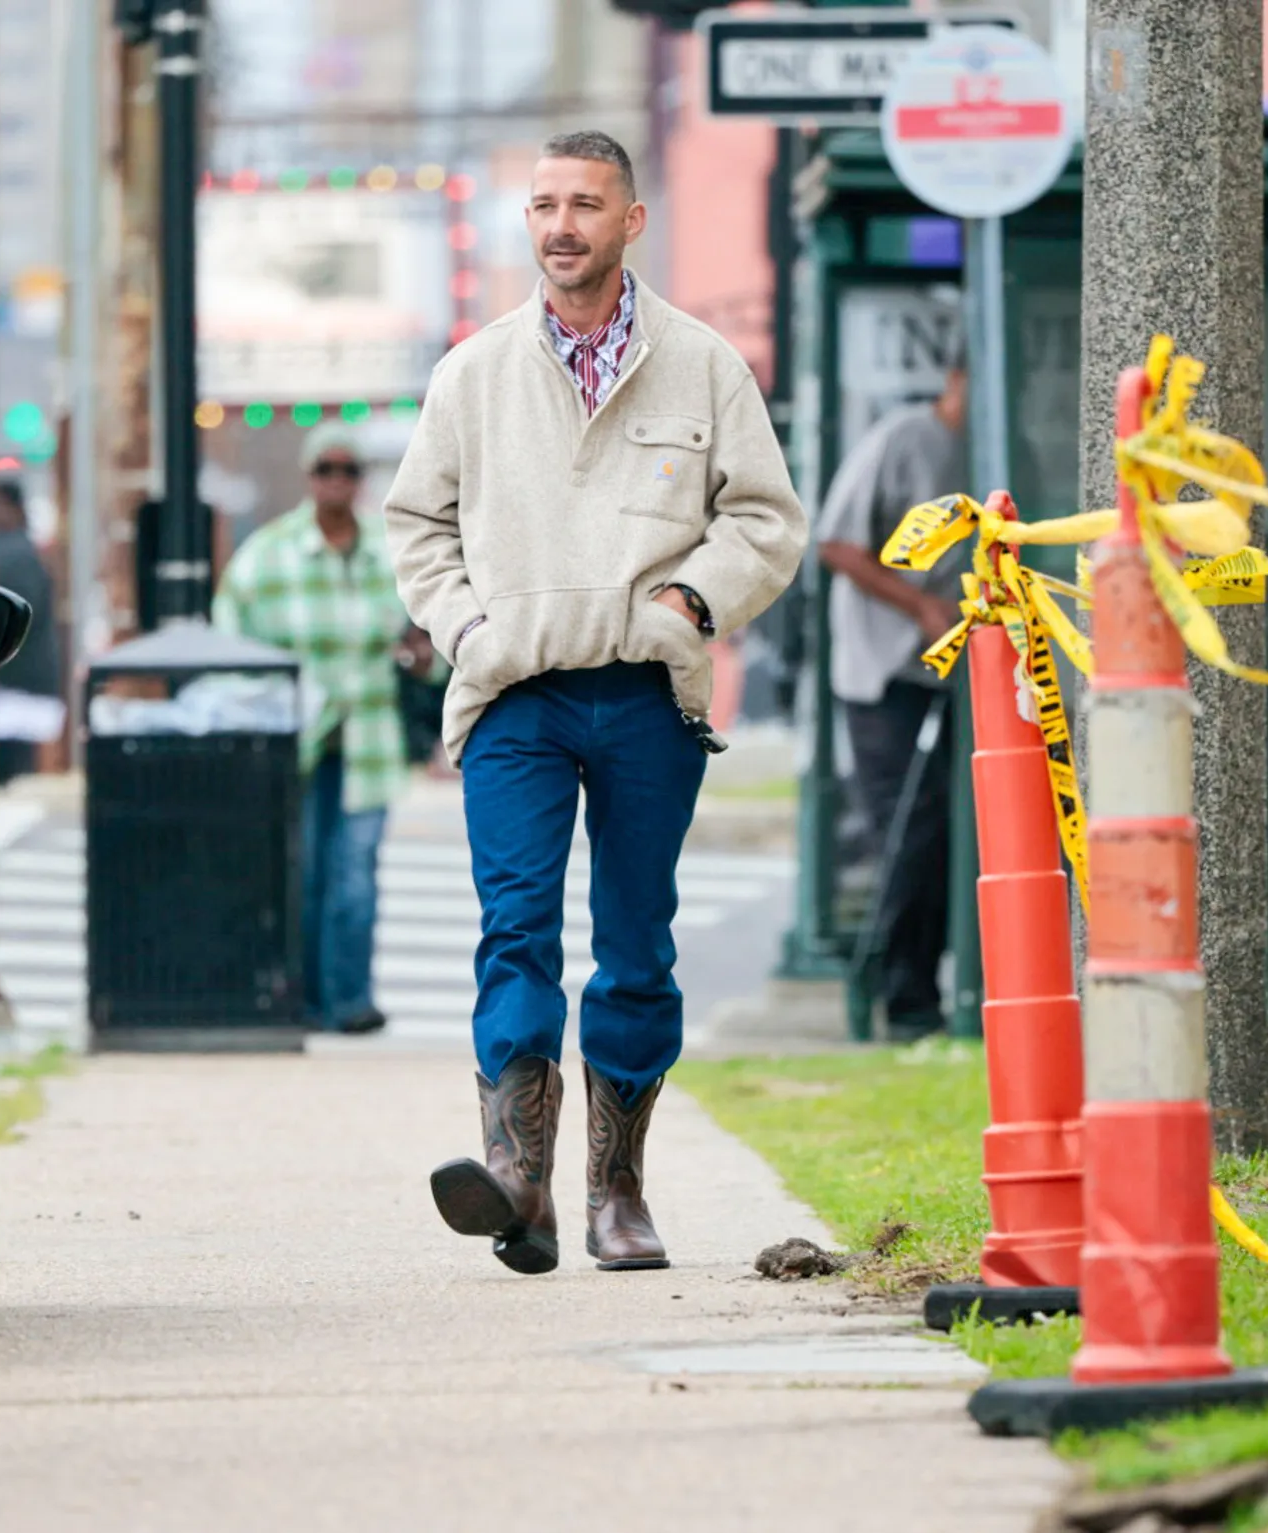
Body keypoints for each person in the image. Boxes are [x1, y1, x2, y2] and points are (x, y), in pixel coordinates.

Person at [385, 129, 806, 1275]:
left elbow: (765, 519)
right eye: (541, 205)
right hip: (511, 694)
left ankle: (615, 1192)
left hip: (643, 692)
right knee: (513, 932)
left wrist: (688, 602)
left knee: (634, 946)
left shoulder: (703, 362)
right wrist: (466, 627)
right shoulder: (471, 373)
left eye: (584, 203)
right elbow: (415, 524)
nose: (559, 224)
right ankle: (515, 1176)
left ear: (630, 220)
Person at [214, 423, 436, 1037]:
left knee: (355, 876)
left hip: (367, 742)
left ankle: (351, 1001)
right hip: (294, 744)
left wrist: (423, 660)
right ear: (309, 478)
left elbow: (435, 643)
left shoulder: (391, 553)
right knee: (301, 873)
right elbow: (229, 641)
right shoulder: (267, 554)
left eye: (349, 471)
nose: (337, 481)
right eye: (326, 470)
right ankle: (302, 1000)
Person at [814, 345, 971, 1042]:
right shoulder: (906, 438)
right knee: (912, 828)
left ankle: (931, 988)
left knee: (952, 832)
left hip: (956, 670)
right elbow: (837, 544)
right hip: (885, 670)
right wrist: (919, 606)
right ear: (959, 379)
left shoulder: (1000, 443)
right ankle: (901, 999)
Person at [0, 477, 62, 785]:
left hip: (14, 682)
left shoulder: (10, 553)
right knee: (19, 772)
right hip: (25, 681)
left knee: (12, 772)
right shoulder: (23, 548)